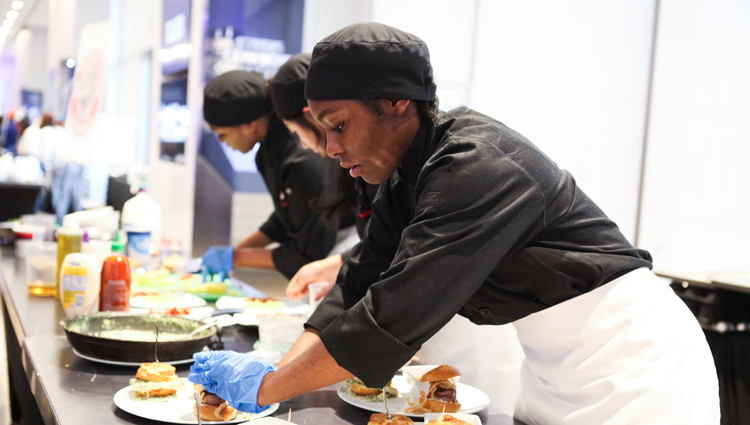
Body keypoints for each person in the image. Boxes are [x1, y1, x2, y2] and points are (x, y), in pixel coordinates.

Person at [189, 23, 720, 424]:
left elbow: (390, 317)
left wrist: (268, 388)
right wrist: (282, 365)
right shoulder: (405, 175)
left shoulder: (477, 165)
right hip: (552, 369)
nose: (329, 148)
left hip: (633, 368)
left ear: (397, 102)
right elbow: (357, 280)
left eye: (339, 125)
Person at [200, 70, 342, 280]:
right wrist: (234, 252)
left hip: (337, 259)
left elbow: (309, 253)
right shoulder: (267, 153)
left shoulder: (302, 159)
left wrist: (236, 257)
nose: (221, 142)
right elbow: (285, 218)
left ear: (250, 123)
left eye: (223, 134)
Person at [268, 53, 380, 302]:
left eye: (295, 131)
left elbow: (395, 245)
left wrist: (338, 265)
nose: (331, 148)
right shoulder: (350, 164)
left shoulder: (379, 162)